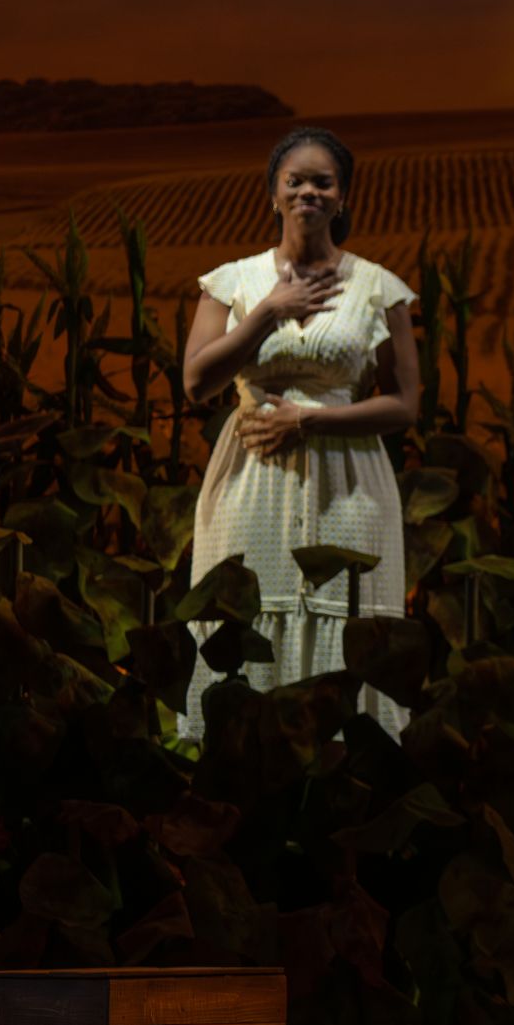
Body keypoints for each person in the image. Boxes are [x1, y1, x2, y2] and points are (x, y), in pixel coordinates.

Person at [178, 127, 420, 740]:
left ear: (343, 198)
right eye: (295, 180)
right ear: (273, 194)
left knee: (347, 626)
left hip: (349, 483)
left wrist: (308, 419)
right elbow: (197, 381)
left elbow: (404, 403)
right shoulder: (233, 282)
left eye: (323, 181)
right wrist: (268, 312)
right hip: (250, 481)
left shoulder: (377, 286)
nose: (308, 191)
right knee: (244, 619)